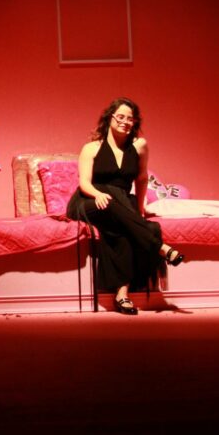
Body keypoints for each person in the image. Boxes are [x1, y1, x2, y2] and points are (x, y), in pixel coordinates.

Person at [66, 97, 184, 315]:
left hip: (119, 203)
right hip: (89, 200)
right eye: (120, 116)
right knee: (114, 205)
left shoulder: (139, 147)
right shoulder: (92, 148)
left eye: (130, 119)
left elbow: (141, 179)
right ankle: (159, 247)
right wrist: (98, 194)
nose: (125, 122)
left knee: (123, 229)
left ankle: (122, 295)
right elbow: (84, 183)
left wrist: (139, 210)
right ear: (109, 118)